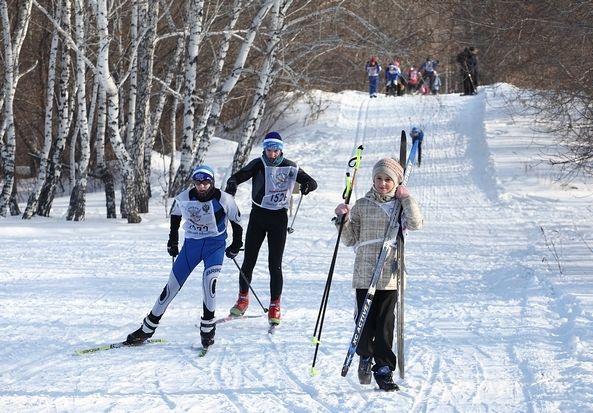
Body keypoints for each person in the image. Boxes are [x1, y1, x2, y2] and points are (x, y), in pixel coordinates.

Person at [334, 145, 424, 392]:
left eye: (388, 179)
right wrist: (342, 220)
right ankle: (365, 354)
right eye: (379, 178)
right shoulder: (362, 204)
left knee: (385, 323)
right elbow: (350, 239)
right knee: (364, 324)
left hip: (390, 275)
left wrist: (407, 199)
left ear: (396, 182)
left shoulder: (400, 205)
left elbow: (416, 223)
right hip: (365, 273)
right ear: (373, 180)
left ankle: (383, 368)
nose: (383, 183)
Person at [125, 164, 243, 350]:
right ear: (194, 182)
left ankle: (207, 330)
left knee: (209, 282)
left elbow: (237, 222)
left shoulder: (224, 199)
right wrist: (173, 241)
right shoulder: (184, 197)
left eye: (206, 182)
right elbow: (175, 217)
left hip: (214, 246)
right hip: (192, 246)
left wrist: (236, 245)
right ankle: (146, 329)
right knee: (171, 287)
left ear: (212, 182)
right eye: (198, 182)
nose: (202, 186)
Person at [225, 132, 318, 326]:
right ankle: (243, 299)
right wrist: (232, 183)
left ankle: (275, 305)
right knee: (249, 260)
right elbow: (238, 176)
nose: (272, 154)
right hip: (258, 217)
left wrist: (307, 186)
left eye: (276, 150)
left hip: (279, 219)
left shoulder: (290, 166)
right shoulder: (258, 163)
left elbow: (311, 182)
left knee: (275, 265)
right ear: (265, 149)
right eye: (269, 150)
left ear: (280, 150)